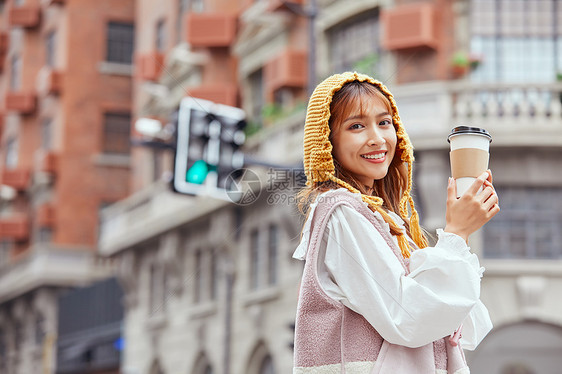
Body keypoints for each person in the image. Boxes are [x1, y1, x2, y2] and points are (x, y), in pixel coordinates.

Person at [292, 72, 499, 373]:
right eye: (356, 126)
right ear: (328, 142)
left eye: (384, 122)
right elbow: (406, 316)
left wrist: (461, 237)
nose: (377, 138)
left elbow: (466, 326)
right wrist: (456, 232)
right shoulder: (340, 210)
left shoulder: (389, 223)